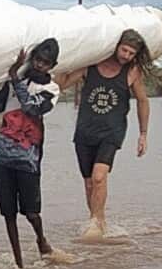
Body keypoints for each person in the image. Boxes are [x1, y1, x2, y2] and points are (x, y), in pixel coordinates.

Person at [59, 29, 152, 238]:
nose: (126, 56)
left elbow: (143, 101)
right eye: (124, 50)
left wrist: (143, 134)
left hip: (112, 132)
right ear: (116, 46)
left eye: (131, 53)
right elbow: (62, 84)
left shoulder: (132, 72)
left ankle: (96, 223)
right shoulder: (90, 65)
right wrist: (61, 62)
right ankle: (98, 223)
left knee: (99, 177)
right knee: (89, 182)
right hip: (84, 131)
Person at [0, 38, 61, 268]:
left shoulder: (51, 89)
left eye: (45, 63)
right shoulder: (15, 81)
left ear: (53, 65)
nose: (40, 65)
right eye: (38, 60)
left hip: (27, 157)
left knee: (31, 212)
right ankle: (19, 261)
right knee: (8, 213)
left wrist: (13, 78)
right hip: (1, 154)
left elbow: (32, 107)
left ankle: (41, 239)